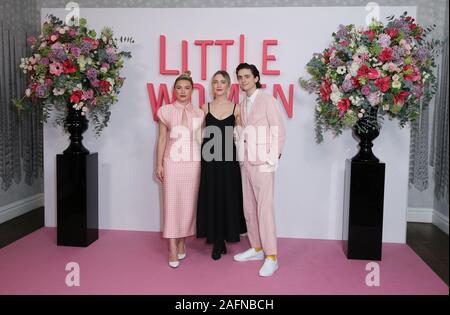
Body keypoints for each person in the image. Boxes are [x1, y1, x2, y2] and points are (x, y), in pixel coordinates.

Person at [233, 63, 286, 277]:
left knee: (264, 210)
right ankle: (256, 248)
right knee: (249, 208)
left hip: (263, 162)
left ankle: (271, 257)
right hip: (246, 162)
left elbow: (279, 132)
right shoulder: (242, 103)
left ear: (256, 78)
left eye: (247, 76)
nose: (243, 80)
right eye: (240, 77)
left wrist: (272, 160)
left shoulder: (268, 101)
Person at [155, 71, 204, 268]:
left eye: (187, 88)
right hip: (172, 162)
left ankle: (183, 241)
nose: (182, 91)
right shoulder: (165, 111)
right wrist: (158, 164)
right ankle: (173, 248)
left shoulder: (199, 113)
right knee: (171, 205)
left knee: (188, 204)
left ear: (192, 91)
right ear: (173, 90)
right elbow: (161, 139)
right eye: (179, 88)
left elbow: (201, 139)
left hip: (193, 163)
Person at [196, 70, 247, 260]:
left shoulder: (237, 109)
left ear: (228, 86)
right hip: (209, 160)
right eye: (215, 82)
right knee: (211, 197)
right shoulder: (204, 107)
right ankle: (216, 240)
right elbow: (197, 135)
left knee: (228, 198)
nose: (218, 85)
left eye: (222, 82)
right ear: (212, 86)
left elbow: (241, 136)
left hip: (229, 160)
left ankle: (223, 239)